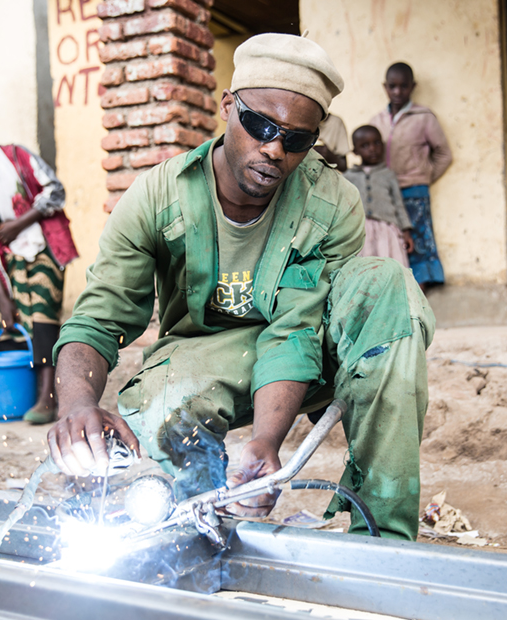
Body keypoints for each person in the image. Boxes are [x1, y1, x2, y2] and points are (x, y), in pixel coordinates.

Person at [46, 33, 435, 541]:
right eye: (260, 125)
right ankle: (205, 517)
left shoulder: (332, 201)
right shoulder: (157, 196)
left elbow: (296, 328)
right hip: (206, 358)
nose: (274, 149)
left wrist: (265, 442)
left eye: (296, 139)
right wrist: (76, 406)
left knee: (387, 285)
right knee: (161, 400)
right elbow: (97, 318)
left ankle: (381, 533)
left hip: (311, 356)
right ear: (229, 106)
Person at [0, 111, 78, 425]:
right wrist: (0, 291)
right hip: (6, 262)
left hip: (42, 247)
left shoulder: (15, 156)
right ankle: (3, 400)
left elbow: (56, 192)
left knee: (42, 318)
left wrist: (19, 223)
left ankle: (48, 398)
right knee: (0, 320)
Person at [370, 62, 452, 291]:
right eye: (392, 86)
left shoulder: (424, 117)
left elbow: (444, 153)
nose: (398, 92)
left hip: (413, 190)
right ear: (385, 87)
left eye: (403, 86)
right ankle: (395, 295)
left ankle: (419, 296)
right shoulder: (377, 121)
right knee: (391, 242)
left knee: (416, 243)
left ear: (412, 87)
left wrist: (423, 175)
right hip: (385, 194)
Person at [343, 125, 414, 269]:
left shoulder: (388, 175)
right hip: (361, 231)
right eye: (365, 145)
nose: (372, 149)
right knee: (366, 266)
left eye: (376, 143)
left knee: (390, 264)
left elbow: (398, 204)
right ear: (356, 151)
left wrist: (406, 231)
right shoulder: (348, 177)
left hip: (387, 230)